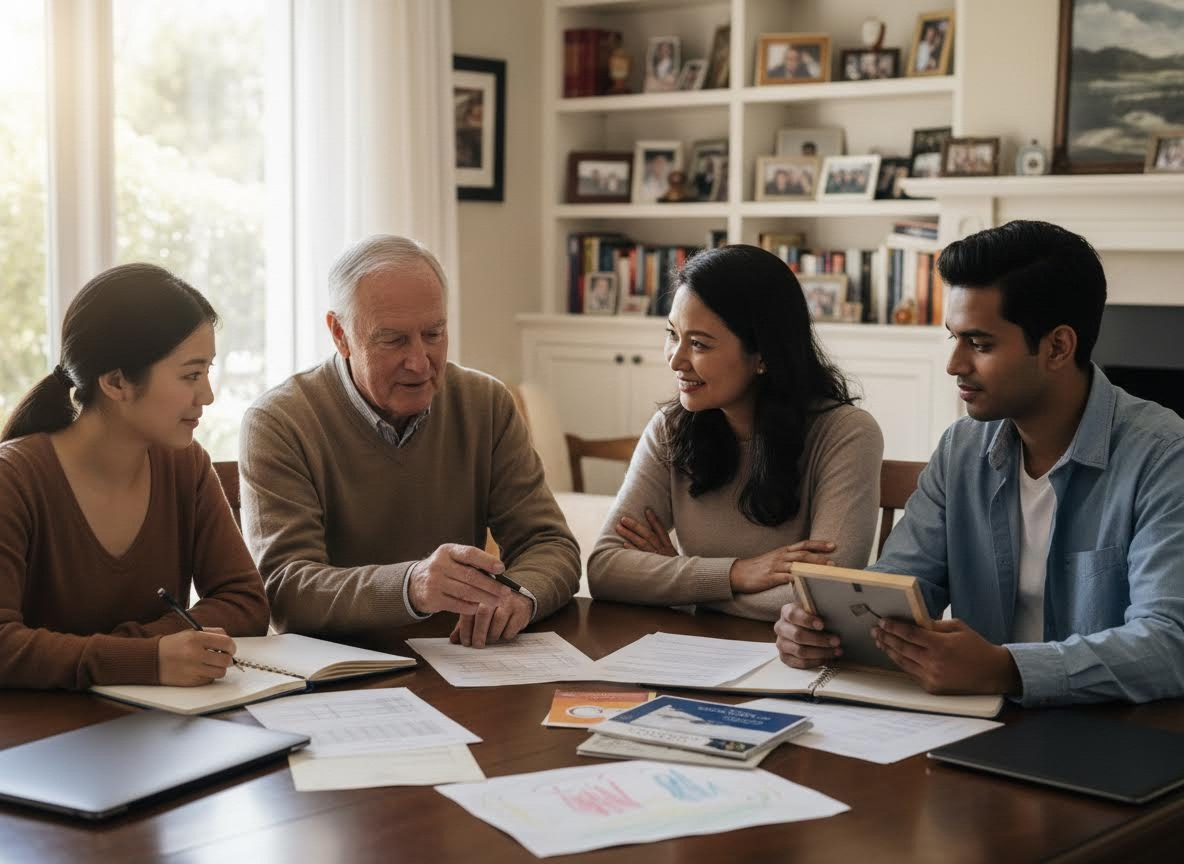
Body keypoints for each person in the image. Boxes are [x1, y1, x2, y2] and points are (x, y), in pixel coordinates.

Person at [774, 220, 1184, 706]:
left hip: (1111, 738)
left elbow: (1168, 643)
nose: (954, 364)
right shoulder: (961, 449)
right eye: (954, 338)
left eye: (981, 344)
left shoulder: (1163, 456)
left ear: (1057, 347)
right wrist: (822, 627)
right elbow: (899, 588)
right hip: (972, 725)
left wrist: (1007, 669)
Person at [240, 235, 579, 648]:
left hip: (463, 662)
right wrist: (411, 586)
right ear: (340, 334)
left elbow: (550, 543)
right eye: (393, 340)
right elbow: (287, 589)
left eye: (433, 334)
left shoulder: (485, 404)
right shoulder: (279, 422)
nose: (419, 362)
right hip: (343, 671)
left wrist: (520, 596)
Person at [0, 264, 269, 690]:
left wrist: (129, 649)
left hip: (157, 724)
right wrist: (145, 658)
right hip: (38, 740)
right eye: (191, 375)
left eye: (207, 372)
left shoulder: (186, 466)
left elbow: (246, 603)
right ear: (116, 382)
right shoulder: (13, 479)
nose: (208, 395)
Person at [587, 245, 883, 621]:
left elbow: (821, 596)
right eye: (672, 334)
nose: (676, 359)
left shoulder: (846, 435)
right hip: (697, 653)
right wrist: (737, 573)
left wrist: (681, 586)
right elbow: (605, 569)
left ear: (762, 354)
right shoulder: (670, 428)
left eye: (698, 344)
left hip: (793, 662)